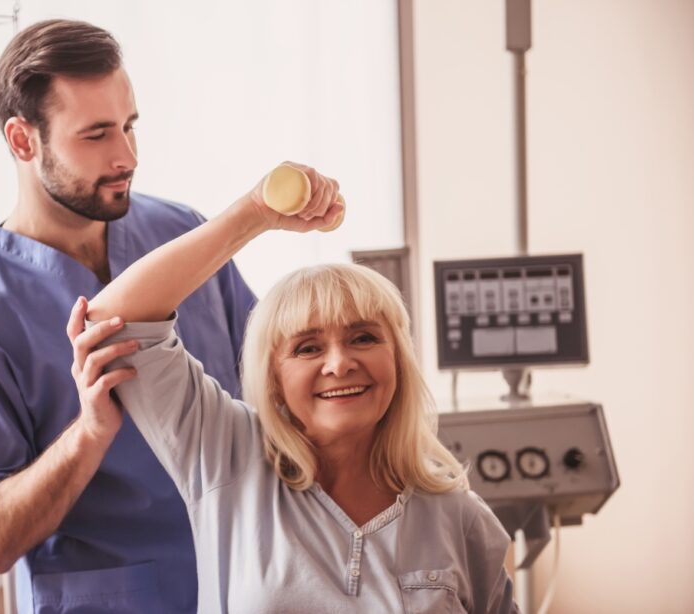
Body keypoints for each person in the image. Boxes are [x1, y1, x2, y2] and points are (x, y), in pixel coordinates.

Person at [70, 163, 518, 613]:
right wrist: (256, 212)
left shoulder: (458, 516)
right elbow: (116, 317)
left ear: (398, 358)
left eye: (363, 338)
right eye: (307, 348)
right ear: (274, 378)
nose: (341, 364)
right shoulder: (228, 455)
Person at [0, 19, 256, 613]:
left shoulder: (183, 235)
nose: (126, 155)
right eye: (97, 134)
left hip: (245, 578)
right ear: (24, 141)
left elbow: (270, 384)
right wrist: (90, 435)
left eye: (129, 126)